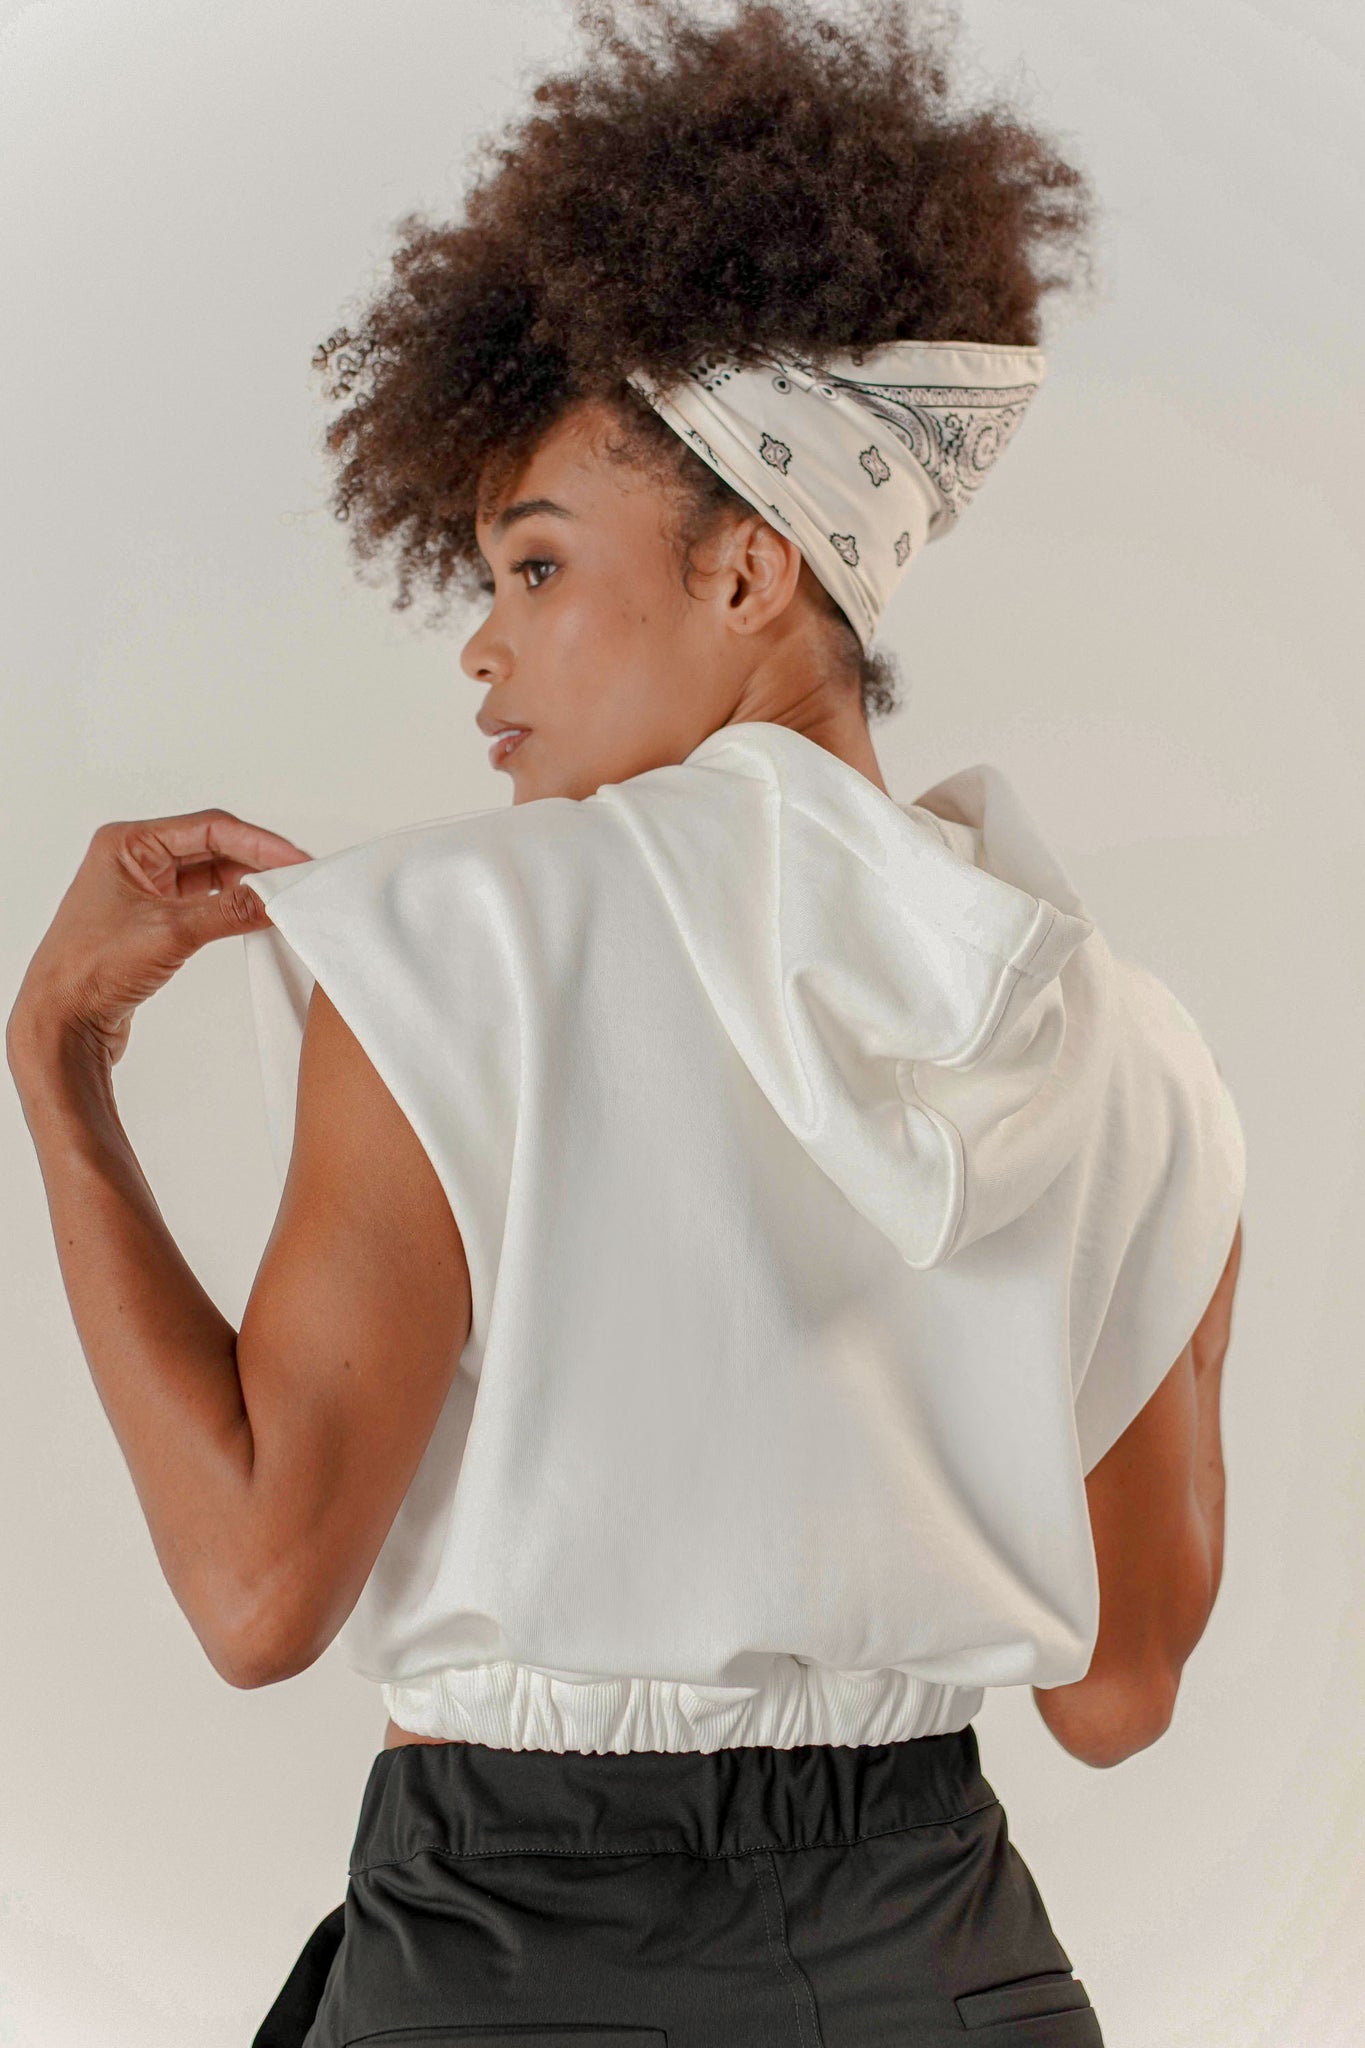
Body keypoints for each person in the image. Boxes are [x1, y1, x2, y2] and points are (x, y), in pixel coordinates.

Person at [5, 3, 1246, 2044]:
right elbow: (1115, 1693)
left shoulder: (463, 937)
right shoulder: (1135, 1054)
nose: (480, 647)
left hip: (519, 1958)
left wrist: (59, 1072)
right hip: (953, 1966)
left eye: (534, 561)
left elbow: (254, 1590)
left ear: (750, 566)